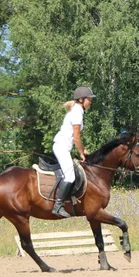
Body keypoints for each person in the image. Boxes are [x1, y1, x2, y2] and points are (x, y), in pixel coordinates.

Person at [51, 86, 96, 217]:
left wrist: (83, 149)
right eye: (89, 99)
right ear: (81, 100)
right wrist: (81, 153)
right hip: (61, 147)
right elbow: (76, 137)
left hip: (63, 146)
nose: (90, 102)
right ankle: (58, 206)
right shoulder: (77, 114)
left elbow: (75, 138)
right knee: (70, 176)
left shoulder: (77, 111)